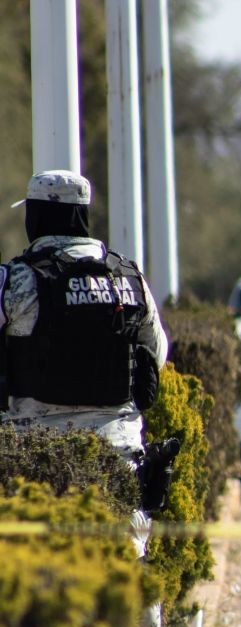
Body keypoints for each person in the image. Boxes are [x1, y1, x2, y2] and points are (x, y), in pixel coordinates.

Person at [1, 170, 168, 558]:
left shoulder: (16, 281)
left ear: (37, 217)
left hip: (34, 454)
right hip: (118, 452)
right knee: (127, 571)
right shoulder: (130, 278)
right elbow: (155, 355)